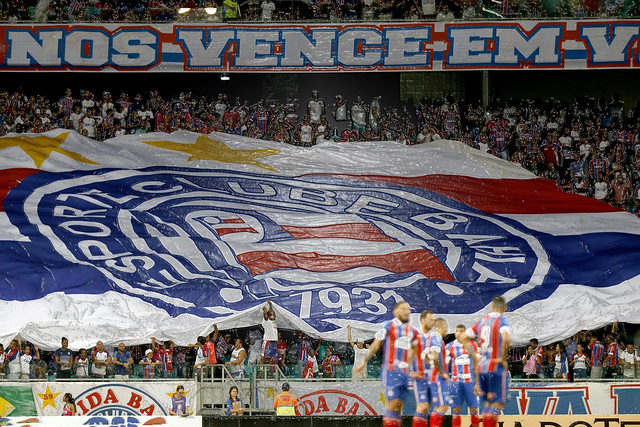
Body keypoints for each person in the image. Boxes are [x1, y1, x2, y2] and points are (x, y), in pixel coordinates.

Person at [354, 301, 419, 427]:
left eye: (408, 310)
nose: (407, 312)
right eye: (404, 309)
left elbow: (414, 349)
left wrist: (411, 366)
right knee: (393, 404)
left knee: (399, 407)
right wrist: (363, 362)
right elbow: (376, 344)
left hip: (404, 372)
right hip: (391, 371)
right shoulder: (388, 326)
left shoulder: (411, 330)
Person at [462, 296, 512, 427]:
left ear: (491, 307)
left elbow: (464, 338)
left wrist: (475, 355)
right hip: (495, 366)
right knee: (498, 403)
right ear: (505, 308)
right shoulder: (502, 320)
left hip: (482, 367)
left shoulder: (481, 321)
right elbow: (506, 338)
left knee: (489, 403)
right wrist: (502, 357)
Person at [447, 324, 480, 427]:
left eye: (462, 331)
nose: (459, 333)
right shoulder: (450, 346)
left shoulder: (473, 345)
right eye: (457, 331)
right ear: (455, 333)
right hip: (455, 382)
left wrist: (477, 384)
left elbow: (476, 365)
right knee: (456, 409)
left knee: (474, 408)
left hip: (470, 382)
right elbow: (444, 364)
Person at [425, 318, 452, 427]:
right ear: (442, 326)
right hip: (438, 377)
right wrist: (441, 372)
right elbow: (435, 356)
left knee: (437, 407)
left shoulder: (430, 337)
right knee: (443, 405)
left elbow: (425, 355)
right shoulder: (437, 337)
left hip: (433, 376)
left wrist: (431, 365)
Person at [411, 310, 435, 427]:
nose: (432, 321)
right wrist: (410, 372)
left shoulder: (434, 337)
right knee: (422, 406)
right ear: (422, 320)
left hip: (433, 377)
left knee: (428, 408)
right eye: (430, 319)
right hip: (420, 376)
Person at [260, 300, 278, 365]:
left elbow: (271, 312)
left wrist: (270, 305)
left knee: (272, 358)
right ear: (269, 316)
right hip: (267, 341)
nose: (274, 316)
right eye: (272, 315)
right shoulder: (266, 322)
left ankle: (267, 373)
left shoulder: (274, 322)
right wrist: (264, 312)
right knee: (263, 357)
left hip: (274, 342)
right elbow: (266, 317)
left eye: (274, 315)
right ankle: (259, 373)